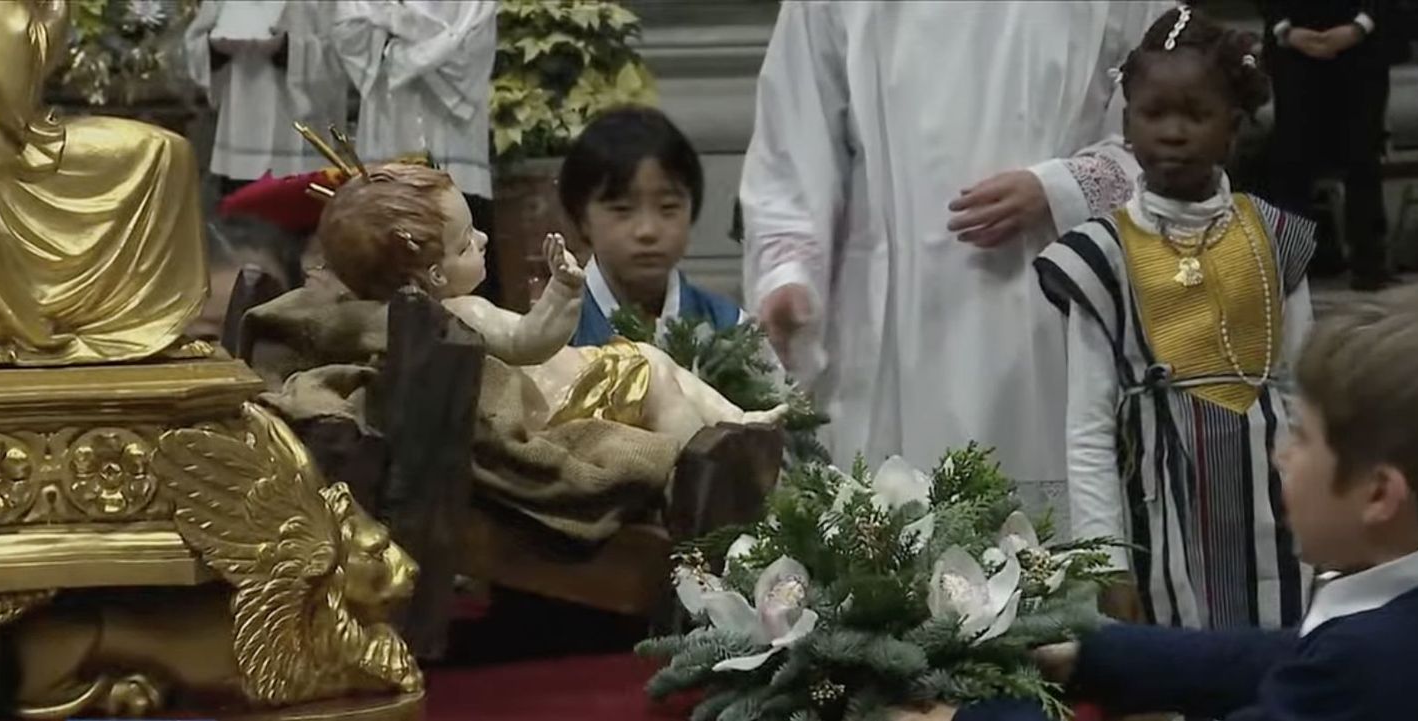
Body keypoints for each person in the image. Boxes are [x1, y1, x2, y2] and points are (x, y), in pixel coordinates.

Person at [915, 281, 1418, 721]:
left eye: (1301, 438)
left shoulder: (1376, 663)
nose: (1280, 454)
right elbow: (1291, 651)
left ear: (1379, 494)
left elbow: (1321, 665)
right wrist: (1091, 652)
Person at [740, 1, 1172, 509]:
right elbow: (795, 139)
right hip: (888, 317)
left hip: (1051, 302)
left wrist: (1065, 188)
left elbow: (1173, 119)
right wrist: (790, 273)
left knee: (1045, 547)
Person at [1035, 7, 1313, 633]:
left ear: (1233, 128)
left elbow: (1307, 391)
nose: (1174, 133)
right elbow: (1087, 427)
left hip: (1276, 514)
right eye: (1154, 114)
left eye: (1195, 115)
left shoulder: (1275, 236)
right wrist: (1106, 565)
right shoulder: (1099, 255)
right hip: (1159, 513)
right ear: (1127, 125)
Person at [314, 163, 786, 447]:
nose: (481, 239)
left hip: (565, 379)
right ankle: (699, 462)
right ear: (434, 275)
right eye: (463, 244)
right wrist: (562, 291)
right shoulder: (462, 313)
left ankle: (736, 421)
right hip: (559, 401)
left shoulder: (412, 318)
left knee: (651, 361)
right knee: (655, 375)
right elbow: (530, 341)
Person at [0, 0, 206, 368]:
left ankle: (132, 317)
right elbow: (9, 88)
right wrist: (58, 8)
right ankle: (136, 320)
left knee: (166, 150)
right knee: (166, 155)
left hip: (0, 141)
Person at [329, 0, 499, 298]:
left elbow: (473, 44)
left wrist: (401, 44)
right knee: (384, 229)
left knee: (465, 233)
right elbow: (349, 29)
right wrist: (420, 42)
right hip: (389, 113)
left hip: (452, 129)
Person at [557, 106, 747, 346]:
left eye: (668, 207)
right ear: (581, 218)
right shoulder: (552, 335)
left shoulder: (729, 328)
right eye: (622, 209)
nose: (648, 231)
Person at [1263, 0, 1395, 291]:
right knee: (1292, 159)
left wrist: (1359, 27)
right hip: (1293, 53)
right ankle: (1292, 262)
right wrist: (1287, 30)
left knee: (1363, 155)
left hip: (1363, 53)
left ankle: (1369, 260)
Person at [183, 1, 348, 198]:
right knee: (239, 210)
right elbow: (193, 43)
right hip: (240, 126)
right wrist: (215, 50)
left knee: (297, 211)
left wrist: (287, 49)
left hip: (296, 132)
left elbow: (340, 52)